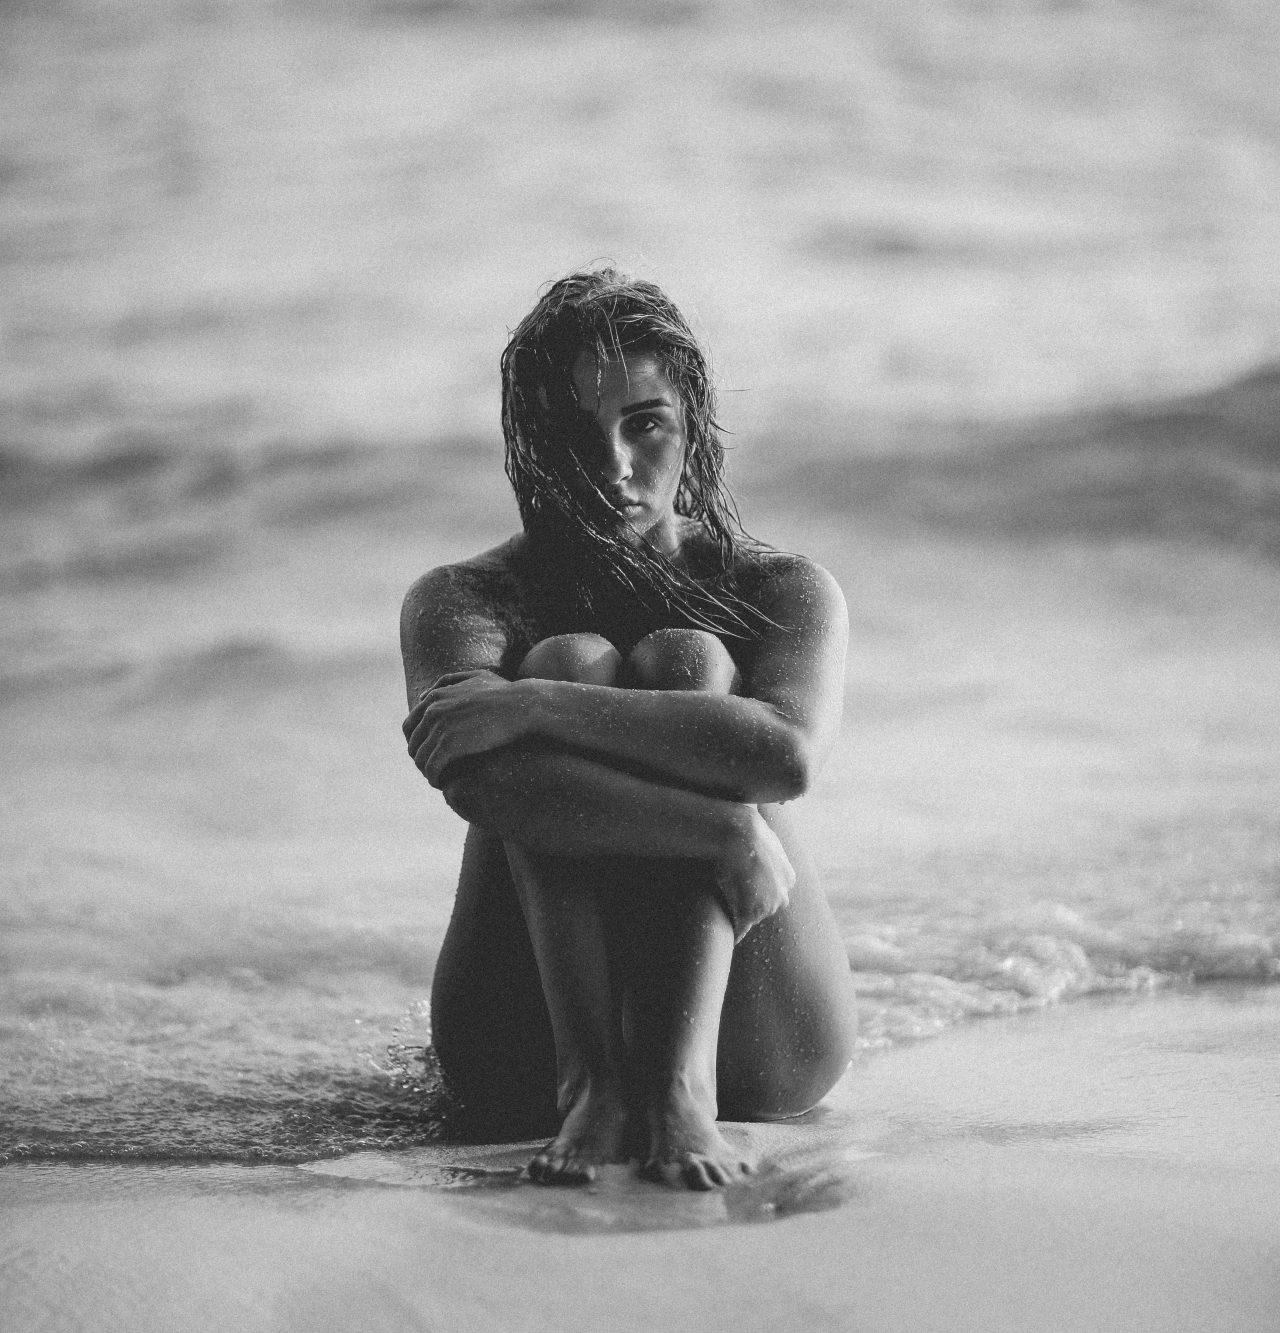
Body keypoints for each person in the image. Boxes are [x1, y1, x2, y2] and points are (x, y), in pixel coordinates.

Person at [400, 268, 857, 1190]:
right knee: (566, 653)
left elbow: (784, 753)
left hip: (759, 1045)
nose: (613, 465)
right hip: (518, 1052)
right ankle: (595, 1085)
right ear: (531, 446)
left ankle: (677, 1088)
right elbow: (478, 780)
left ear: (691, 428)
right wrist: (715, 829)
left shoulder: (777, 587)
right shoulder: (468, 598)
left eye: (644, 423)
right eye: (576, 433)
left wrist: (535, 706)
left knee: (685, 662)